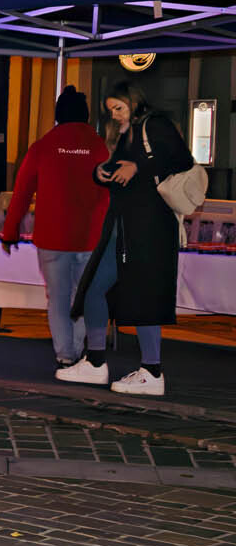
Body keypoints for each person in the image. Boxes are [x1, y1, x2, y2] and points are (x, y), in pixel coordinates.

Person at [58, 82, 194, 395]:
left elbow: (181, 160)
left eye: (118, 108)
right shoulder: (127, 133)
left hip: (149, 229)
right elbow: (120, 169)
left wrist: (138, 166)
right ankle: (95, 363)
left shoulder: (155, 125)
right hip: (123, 227)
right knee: (95, 287)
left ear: (133, 102)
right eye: (111, 110)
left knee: (144, 295)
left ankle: (152, 371)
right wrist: (101, 172)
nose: (115, 115)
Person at [0, 86, 110, 369]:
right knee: (84, 295)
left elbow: (21, 193)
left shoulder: (42, 146)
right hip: (90, 237)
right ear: (86, 115)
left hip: (52, 237)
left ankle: (65, 354)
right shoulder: (99, 147)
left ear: (58, 115)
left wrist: (10, 232)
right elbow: (109, 194)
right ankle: (79, 349)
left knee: (58, 298)